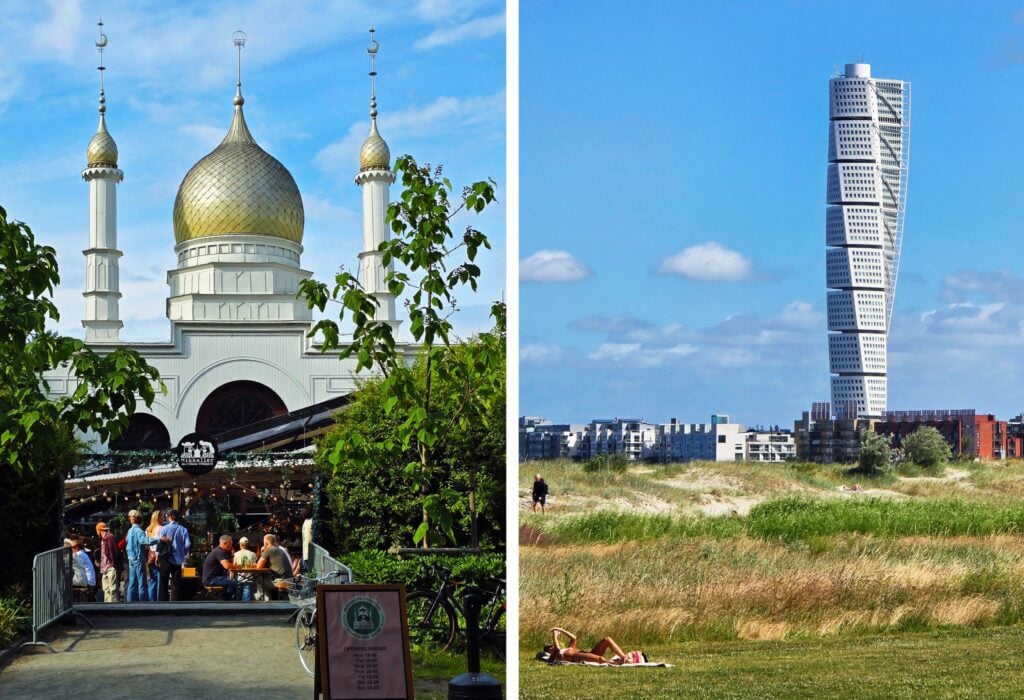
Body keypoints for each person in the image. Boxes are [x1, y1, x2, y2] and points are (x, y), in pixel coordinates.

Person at [125, 510, 162, 602]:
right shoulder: (138, 531)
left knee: (132, 582)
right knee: (142, 581)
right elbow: (144, 541)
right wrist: (158, 539)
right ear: (139, 519)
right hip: (138, 558)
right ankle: (143, 602)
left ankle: (130, 602)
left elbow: (126, 542)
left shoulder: (130, 530)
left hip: (131, 558)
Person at [543, 627, 630, 665]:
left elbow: (574, 638)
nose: (552, 647)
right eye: (549, 648)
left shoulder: (567, 648)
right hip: (578, 657)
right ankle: (615, 664)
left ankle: (623, 657)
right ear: (548, 652)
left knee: (607, 639)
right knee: (601, 659)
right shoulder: (554, 656)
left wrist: (561, 630)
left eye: (551, 645)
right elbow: (557, 648)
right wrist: (554, 635)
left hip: (587, 654)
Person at [158, 509, 191, 601]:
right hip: (178, 559)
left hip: (165, 558)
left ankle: (163, 600)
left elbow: (159, 543)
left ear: (169, 518)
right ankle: (176, 600)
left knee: (164, 580)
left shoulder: (163, 529)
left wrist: (158, 555)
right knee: (176, 581)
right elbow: (188, 544)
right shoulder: (183, 529)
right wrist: (183, 552)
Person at [202, 534, 238, 600]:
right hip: (210, 579)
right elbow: (227, 566)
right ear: (225, 543)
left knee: (235, 582)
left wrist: (232, 556)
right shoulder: (219, 552)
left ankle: (226, 598)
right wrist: (237, 567)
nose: (231, 546)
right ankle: (225, 601)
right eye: (230, 544)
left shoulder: (223, 551)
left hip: (217, 577)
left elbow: (230, 564)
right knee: (233, 584)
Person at [255, 533, 291, 600]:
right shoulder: (279, 549)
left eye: (264, 543)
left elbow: (258, 566)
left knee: (259, 579)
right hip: (289, 579)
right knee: (265, 578)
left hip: (281, 581)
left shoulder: (269, 550)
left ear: (266, 543)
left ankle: (268, 601)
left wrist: (263, 552)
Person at [95, 522, 119, 603]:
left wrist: (114, 565)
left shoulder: (109, 538)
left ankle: (114, 607)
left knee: (112, 589)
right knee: (106, 589)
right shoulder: (103, 539)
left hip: (110, 566)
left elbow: (115, 552)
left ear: (99, 530)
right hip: (104, 568)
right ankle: (108, 606)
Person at [145, 510, 164, 602]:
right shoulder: (161, 528)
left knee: (152, 580)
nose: (163, 518)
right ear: (158, 518)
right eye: (162, 516)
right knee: (159, 580)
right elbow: (160, 545)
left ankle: (151, 600)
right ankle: (158, 600)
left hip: (150, 556)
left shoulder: (148, 529)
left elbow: (147, 545)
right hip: (158, 556)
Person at [232, 536, 258, 602]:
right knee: (246, 602)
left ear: (240, 545)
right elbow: (255, 566)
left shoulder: (236, 554)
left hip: (238, 580)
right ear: (248, 545)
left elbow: (233, 567)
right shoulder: (253, 554)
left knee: (238, 600)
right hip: (249, 580)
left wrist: (231, 578)